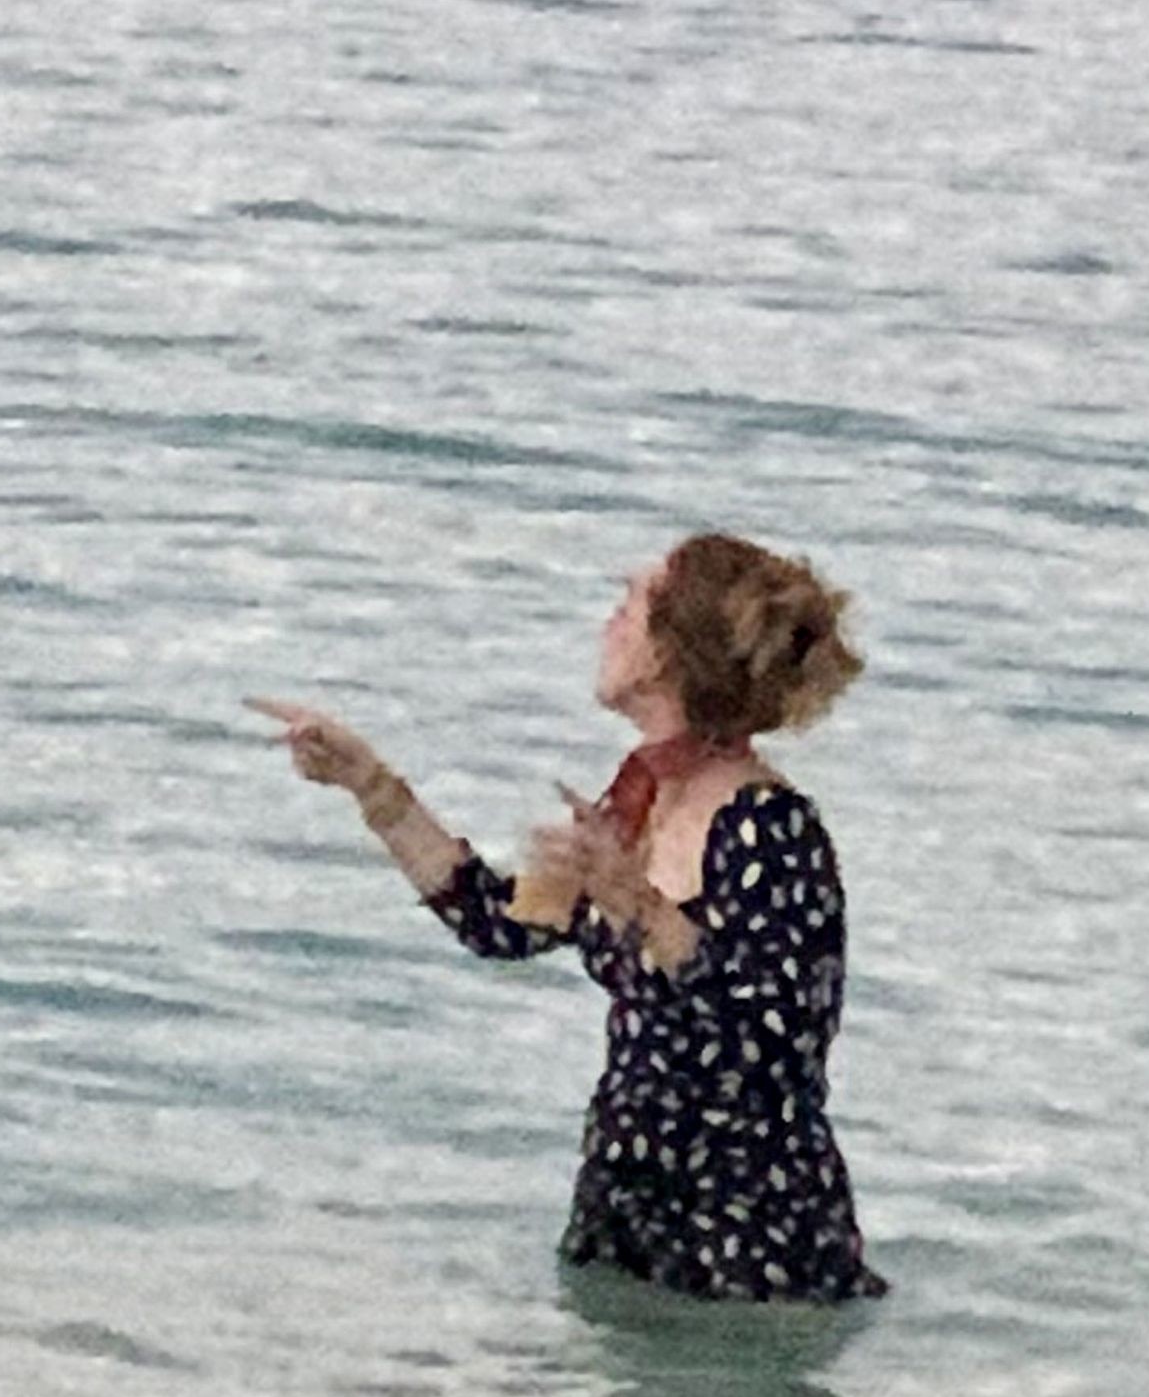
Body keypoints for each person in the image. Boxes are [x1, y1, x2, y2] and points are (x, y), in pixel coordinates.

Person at [250, 533, 888, 1303]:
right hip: (627, 1217)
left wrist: (641, 906)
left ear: (669, 651)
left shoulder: (770, 826)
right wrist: (372, 787)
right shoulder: (636, 799)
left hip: (753, 1239)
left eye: (629, 604)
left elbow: (775, 1038)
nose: (607, 623)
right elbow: (500, 923)